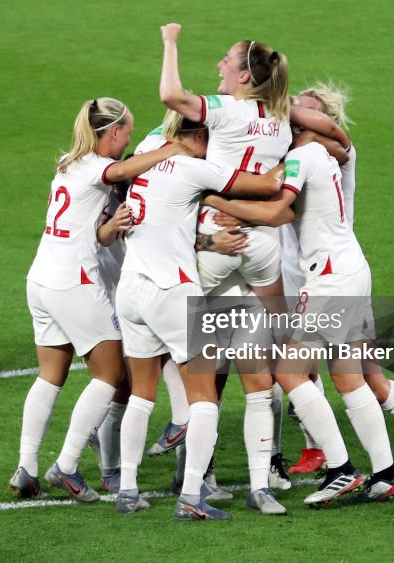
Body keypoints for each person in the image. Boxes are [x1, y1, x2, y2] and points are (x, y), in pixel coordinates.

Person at [156, 23, 348, 511]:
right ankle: (292, 478)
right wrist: (340, 138)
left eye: (226, 59)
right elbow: (325, 131)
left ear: (244, 75)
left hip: (215, 246)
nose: (219, 64)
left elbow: (171, 94)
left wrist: (172, 41)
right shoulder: (283, 119)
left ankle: (193, 480)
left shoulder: (224, 109)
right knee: (278, 364)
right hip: (262, 245)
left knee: (201, 370)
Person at [203, 124, 394, 505]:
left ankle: (340, 469)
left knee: (289, 372)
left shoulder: (299, 157)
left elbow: (279, 211)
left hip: (330, 280)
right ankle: (386, 474)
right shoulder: (318, 154)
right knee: (349, 379)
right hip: (352, 270)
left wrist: (219, 204)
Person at [279, 82, 394, 487]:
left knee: (307, 369)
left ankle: (341, 465)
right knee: (358, 375)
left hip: (330, 275)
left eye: (306, 113)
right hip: (323, 272)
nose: (296, 118)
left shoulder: (334, 153)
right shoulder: (298, 152)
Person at [9, 98, 190, 502]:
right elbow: (121, 170)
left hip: (40, 279)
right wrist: (173, 148)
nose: (127, 141)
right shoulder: (95, 167)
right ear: (110, 133)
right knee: (110, 376)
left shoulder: (68, 161)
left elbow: (95, 228)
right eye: (126, 132)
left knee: (49, 375)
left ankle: (26, 466)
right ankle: (68, 465)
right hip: (74, 282)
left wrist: (109, 227)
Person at [112, 118, 284, 520]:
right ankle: (191, 496)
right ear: (200, 136)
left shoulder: (144, 155)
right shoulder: (194, 167)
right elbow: (267, 186)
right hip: (172, 290)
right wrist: (294, 158)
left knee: (142, 394)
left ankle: (128, 491)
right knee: (204, 398)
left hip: (131, 289)